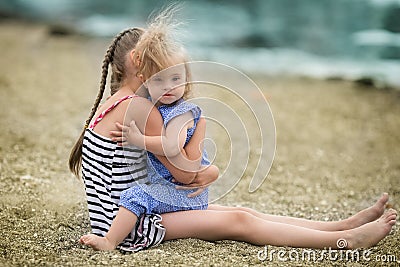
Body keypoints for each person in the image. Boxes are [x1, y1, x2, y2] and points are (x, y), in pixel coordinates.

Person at [71, 6, 397, 252]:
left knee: (242, 210)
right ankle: (344, 241)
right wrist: (206, 170)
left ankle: (340, 226)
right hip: (129, 224)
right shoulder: (140, 108)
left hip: (121, 213)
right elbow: (184, 174)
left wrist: (204, 173)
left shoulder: (112, 100)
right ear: (144, 64)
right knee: (239, 222)